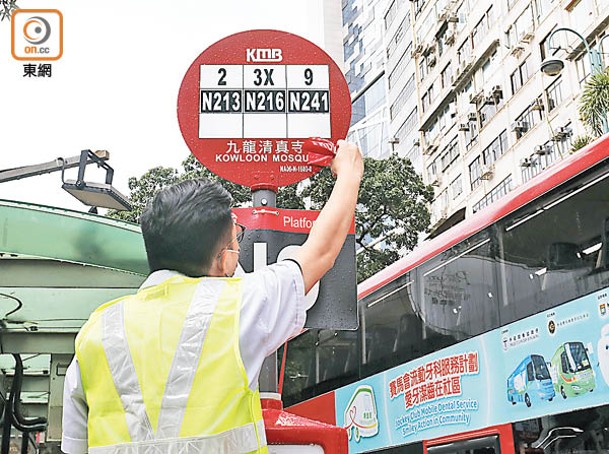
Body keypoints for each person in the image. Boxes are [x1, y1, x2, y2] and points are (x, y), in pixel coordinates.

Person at [61, 140, 364, 453]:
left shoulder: (97, 331)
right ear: (225, 258)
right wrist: (350, 173)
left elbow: (74, 446)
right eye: (237, 239)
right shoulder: (238, 307)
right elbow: (321, 252)